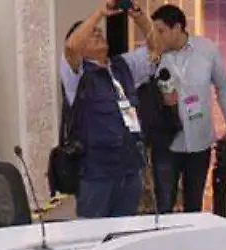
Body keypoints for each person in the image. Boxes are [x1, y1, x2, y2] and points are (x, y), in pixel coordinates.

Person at [62, 0, 161, 219]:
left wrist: (138, 15)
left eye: (99, 31)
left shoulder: (123, 66)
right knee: (93, 234)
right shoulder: (76, 75)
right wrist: (100, 12)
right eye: (91, 33)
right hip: (96, 174)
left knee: (123, 234)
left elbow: (156, 47)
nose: (98, 33)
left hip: (129, 169)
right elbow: (71, 47)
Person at [148, 4, 226, 214]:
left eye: (161, 31)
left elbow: (222, 86)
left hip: (199, 140)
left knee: (194, 204)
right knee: (164, 204)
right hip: (166, 142)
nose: (157, 36)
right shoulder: (152, 55)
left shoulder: (207, 50)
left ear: (177, 28)